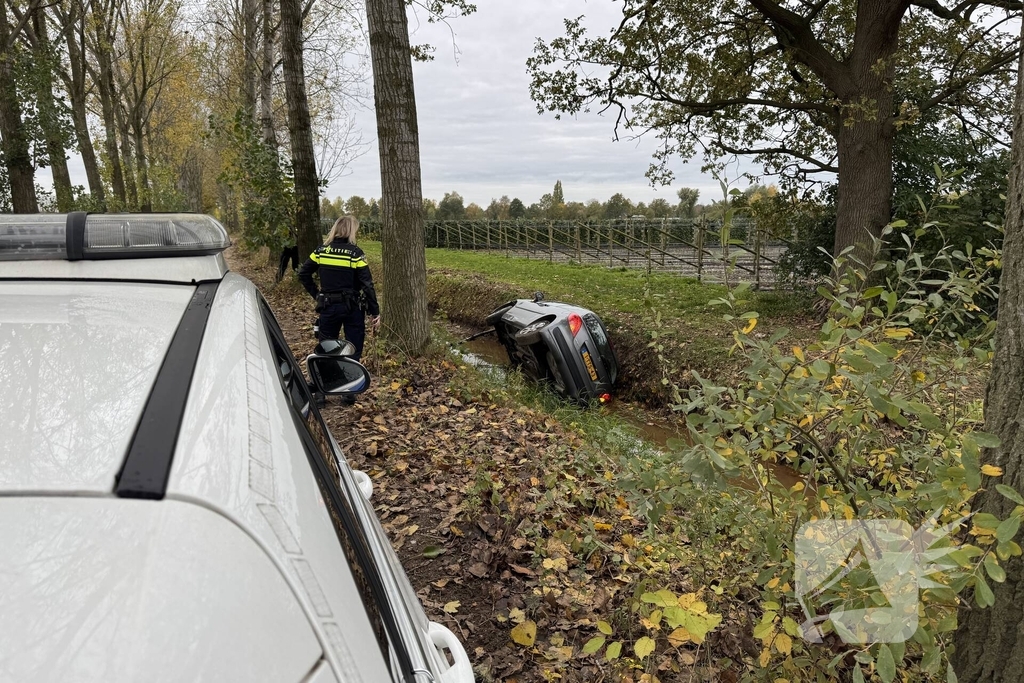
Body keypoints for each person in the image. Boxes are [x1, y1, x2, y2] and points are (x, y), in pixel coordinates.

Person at [297, 216, 380, 360]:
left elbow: (303, 273)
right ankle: (352, 379)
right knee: (353, 352)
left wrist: (316, 294)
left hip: (328, 305)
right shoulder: (355, 254)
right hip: (352, 308)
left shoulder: (321, 251)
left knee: (327, 351)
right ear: (351, 231)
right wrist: (375, 312)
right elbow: (367, 285)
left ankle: (329, 379)